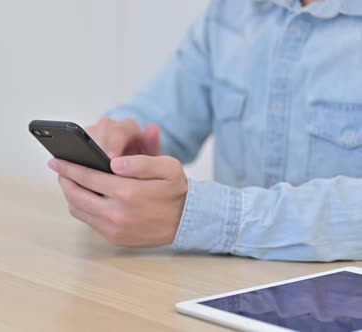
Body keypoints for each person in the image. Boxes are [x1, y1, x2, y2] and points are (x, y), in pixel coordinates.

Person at [47, 0, 362, 262]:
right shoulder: (231, 12)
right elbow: (158, 115)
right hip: (224, 291)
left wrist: (210, 218)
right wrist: (120, 152)